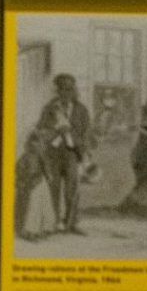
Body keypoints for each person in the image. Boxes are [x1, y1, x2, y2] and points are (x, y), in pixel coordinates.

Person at [36, 72, 91, 233]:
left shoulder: (81, 110)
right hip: (53, 153)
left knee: (72, 189)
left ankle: (71, 223)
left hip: (72, 153)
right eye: (64, 89)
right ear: (58, 91)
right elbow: (41, 129)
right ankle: (53, 223)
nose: (67, 92)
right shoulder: (49, 109)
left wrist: (83, 150)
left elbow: (86, 132)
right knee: (54, 188)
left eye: (70, 89)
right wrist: (55, 129)